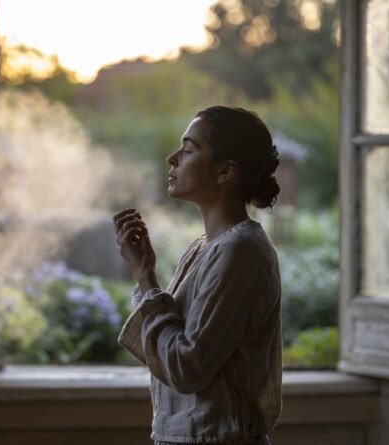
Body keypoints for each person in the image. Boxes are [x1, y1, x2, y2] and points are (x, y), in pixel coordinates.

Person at [113, 106, 283, 445]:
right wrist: (145, 277)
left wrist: (146, 278)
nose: (172, 158)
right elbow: (172, 353)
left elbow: (187, 368)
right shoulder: (203, 248)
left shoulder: (241, 251)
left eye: (189, 149)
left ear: (224, 171)